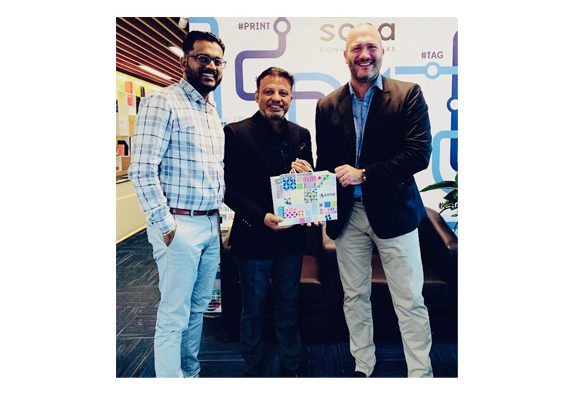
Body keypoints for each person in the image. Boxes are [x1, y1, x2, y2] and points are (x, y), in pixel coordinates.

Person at [315, 23, 434, 378]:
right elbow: (326, 164)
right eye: (356, 48)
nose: (364, 55)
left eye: (371, 47)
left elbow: (418, 154)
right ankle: (363, 365)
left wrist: (364, 174)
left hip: (395, 213)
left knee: (409, 299)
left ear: (382, 51)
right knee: (354, 297)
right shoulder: (326, 105)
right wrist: (312, 185)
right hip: (348, 216)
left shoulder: (408, 95)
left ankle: (421, 373)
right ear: (345, 55)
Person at [128, 30, 227, 378]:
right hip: (180, 227)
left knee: (198, 308)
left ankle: (191, 373)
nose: (211, 66)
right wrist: (166, 225)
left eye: (217, 61)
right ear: (184, 60)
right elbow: (141, 169)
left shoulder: (210, 111)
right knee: (174, 314)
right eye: (203, 58)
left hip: (210, 224)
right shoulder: (163, 102)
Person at [223, 67, 315, 377]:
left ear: (291, 98)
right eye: (269, 91)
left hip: (291, 241)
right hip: (253, 239)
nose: (276, 98)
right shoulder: (236, 133)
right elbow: (230, 190)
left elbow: (307, 187)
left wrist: (308, 177)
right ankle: (253, 368)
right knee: (253, 309)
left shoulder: (302, 135)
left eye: (283, 93)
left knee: (288, 306)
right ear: (257, 95)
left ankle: (292, 366)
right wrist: (261, 216)